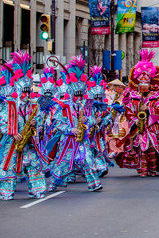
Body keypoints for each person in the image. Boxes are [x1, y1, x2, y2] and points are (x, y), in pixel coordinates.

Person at [47, 57, 104, 192]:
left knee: (88, 160)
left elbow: (92, 120)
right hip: (68, 140)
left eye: (81, 95)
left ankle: (94, 184)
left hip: (82, 139)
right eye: (76, 95)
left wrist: (87, 121)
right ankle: (53, 183)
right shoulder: (65, 106)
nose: (79, 98)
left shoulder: (86, 106)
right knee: (62, 163)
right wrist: (70, 129)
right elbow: (57, 123)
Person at [0, 52, 48, 200]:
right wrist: (12, 132)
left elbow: (40, 120)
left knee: (34, 164)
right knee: (8, 166)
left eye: (28, 91)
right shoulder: (9, 105)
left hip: (28, 141)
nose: (26, 94)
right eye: (24, 91)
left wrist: (36, 124)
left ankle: (37, 190)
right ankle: (6, 192)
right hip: (13, 141)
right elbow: (2, 121)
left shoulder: (32, 106)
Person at [117, 49, 159, 177]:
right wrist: (134, 119)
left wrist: (149, 110)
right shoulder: (133, 95)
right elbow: (129, 109)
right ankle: (143, 168)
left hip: (152, 126)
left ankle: (152, 168)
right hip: (138, 125)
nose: (143, 85)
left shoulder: (155, 95)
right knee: (139, 148)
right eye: (141, 82)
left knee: (152, 148)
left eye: (146, 83)